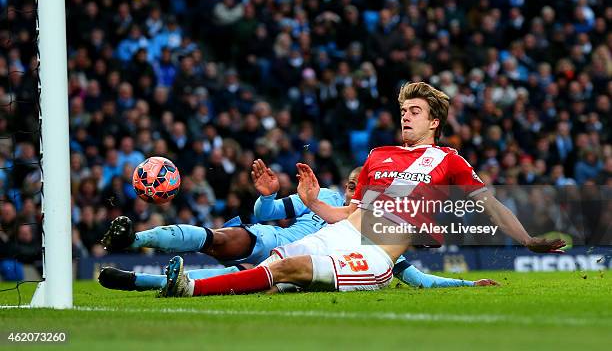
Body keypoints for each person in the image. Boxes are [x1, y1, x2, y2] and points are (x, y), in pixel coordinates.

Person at [161, 82, 564, 297]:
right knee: (270, 271)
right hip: (343, 231)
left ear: (434, 122)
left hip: (374, 254)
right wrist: (313, 201)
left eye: (415, 111)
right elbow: (349, 214)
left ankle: (188, 287)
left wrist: (527, 240)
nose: (405, 116)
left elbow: (490, 205)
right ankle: (164, 283)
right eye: (403, 111)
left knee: (285, 270)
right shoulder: (379, 155)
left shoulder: (448, 160)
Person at [99, 159, 492, 292]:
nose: (356, 189)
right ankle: (136, 237)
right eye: (353, 184)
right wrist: (269, 195)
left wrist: (466, 283)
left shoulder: (373, 220)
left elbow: (418, 274)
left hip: (297, 254)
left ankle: (138, 280)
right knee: (219, 238)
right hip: (273, 237)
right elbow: (268, 212)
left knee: (239, 273)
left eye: (362, 185)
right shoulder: (331, 200)